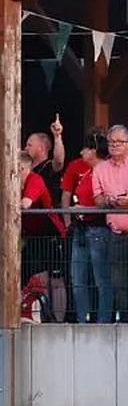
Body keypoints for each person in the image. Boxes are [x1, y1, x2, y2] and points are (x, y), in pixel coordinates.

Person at [68, 131, 112, 323]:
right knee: (78, 279)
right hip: (81, 228)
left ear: (93, 151)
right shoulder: (87, 173)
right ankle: (82, 320)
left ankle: (103, 320)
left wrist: (84, 208)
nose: (81, 152)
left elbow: (109, 202)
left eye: (85, 149)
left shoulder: (106, 171)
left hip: (98, 228)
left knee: (101, 279)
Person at [20, 152, 66, 322]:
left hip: (51, 233)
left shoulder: (34, 180)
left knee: (55, 279)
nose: (16, 175)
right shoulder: (14, 182)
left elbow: (25, 203)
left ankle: (59, 320)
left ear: (26, 168)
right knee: (37, 277)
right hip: (31, 235)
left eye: (19, 170)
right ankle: (43, 315)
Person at [93, 125, 128, 320]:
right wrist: (110, 201)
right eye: (111, 142)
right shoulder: (99, 169)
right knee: (118, 283)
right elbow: (97, 199)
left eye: (119, 142)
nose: (114, 145)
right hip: (116, 234)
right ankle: (124, 323)